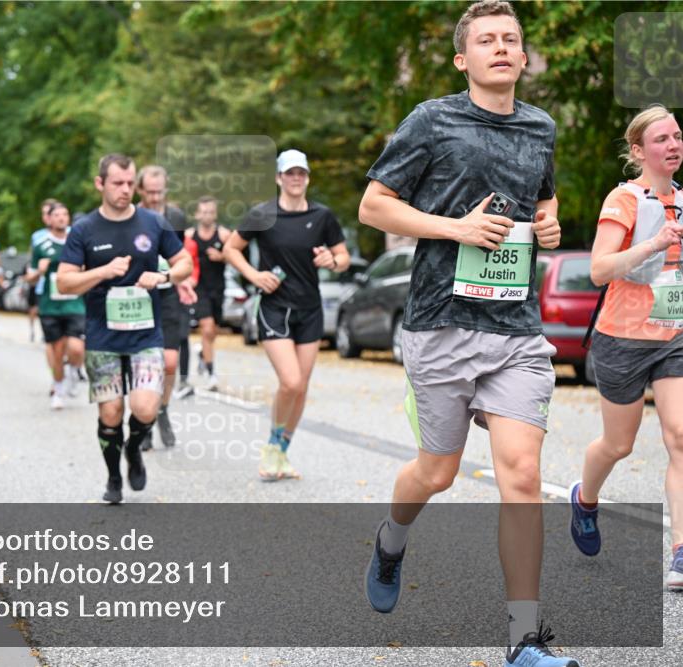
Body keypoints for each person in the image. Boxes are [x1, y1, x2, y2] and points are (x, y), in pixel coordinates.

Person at [356, 3, 575, 666]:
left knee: (524, 473)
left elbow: (543, 197)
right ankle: (392, 539)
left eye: (511, 38)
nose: (502, 48)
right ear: (463, 59)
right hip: (441, 323)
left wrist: (548, 226)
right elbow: (373, 205)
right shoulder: (433, 119)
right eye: (487, 40)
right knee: (438, 471)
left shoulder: (540, 126)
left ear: (522, 54)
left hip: (514, 328)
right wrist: (454, 227)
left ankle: (523, 639)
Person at [569, 105, 683, 591]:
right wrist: (655, 243)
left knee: (680, 436)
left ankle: (680, 552)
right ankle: (585, 499)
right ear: (638, 151)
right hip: (622, 339)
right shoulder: (625, 199)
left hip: (674, 335)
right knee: (619, 444)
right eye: (661, 139)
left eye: (677, 136)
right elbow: (600, 269)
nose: (673, 145)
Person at [56, 154, 192, 504]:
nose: (126, 190)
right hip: (103, 335)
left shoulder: (153, 223)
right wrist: (101, 272)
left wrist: (163, 277)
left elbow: (184, 264)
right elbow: (65, 283)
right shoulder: (84, 229)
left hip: (146, 334)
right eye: (118, 183)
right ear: (100, 184)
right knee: (111, 412)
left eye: (131, 183)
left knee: (145, 408)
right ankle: (114, 476)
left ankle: (134, 448)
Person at [223, 149, 349, 481]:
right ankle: (271, 447)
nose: (296, 178)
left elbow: (343, 257)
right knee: (290, 381)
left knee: (302, 386)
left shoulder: (322, 216)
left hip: (310, 308)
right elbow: (230, 249)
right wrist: (253, 275)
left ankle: (281, 451)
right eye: (289, 173)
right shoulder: (262, 214)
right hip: (275, 307)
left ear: (307, 177)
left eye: (301, 173)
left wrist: (332, 262)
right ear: (279, 178)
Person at [135, 165, 199, 449]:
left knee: (170, 362)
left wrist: (182, 281)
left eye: (159, 192)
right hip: (138, 296)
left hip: (169, 291)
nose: (155, 197)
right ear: (140, 191)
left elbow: (179, 255)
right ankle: (144, 419)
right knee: (144, 362)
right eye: (149, 192)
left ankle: (162, 408)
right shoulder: (131, 217)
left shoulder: (175, 216)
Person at [25, 202, 87, 409]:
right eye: (57, 215)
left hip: (74, 303)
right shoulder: (41, 244)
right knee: (58, 351)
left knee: (77, 348)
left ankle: (74, 371)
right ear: (49, 219)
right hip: (50, 305)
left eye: (65, 214)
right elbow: (30, 277)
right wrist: (39, 272)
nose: (61, 218)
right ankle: (58, 389)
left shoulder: (77, 240)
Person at [187, 196, 232, 391]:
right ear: (197, 214)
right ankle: (211, 373)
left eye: (211, 212)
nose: (207, 216)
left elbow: (236, 257)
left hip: (218, 288)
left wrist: (222, 257)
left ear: (215, 214)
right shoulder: (189, 235)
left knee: (213, 331)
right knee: (206, 328)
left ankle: (203, 355)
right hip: (198, 288)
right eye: (203, 212)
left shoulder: (224, 235)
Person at [28, 199, 57, 343]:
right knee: (52, 336)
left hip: (67, 288)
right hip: (43, 287)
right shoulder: (37, 236)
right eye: (44, 214)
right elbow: (33, 262)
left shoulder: (71, 233)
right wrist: (38, 272)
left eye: (48, 213)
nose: (46, 217)